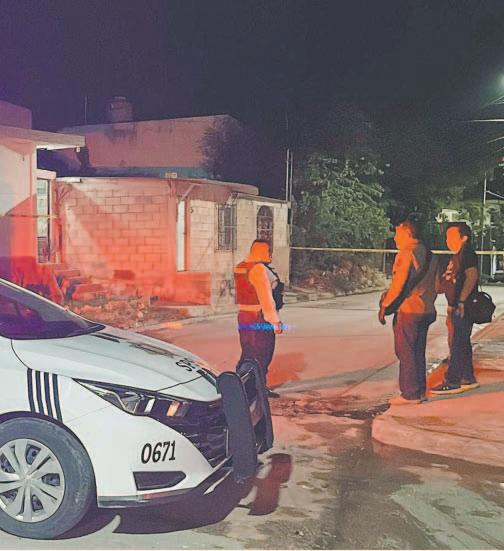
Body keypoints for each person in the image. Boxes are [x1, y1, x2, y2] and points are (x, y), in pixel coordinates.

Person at [378, 220, 438, 405]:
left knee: (406, 352)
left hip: (409, 310)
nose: (395, 238)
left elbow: (399, 284)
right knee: (418, 352)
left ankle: (410, 394)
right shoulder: (431, 255)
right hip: (426, 309)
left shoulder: (407, 252)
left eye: (398, 234)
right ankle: (420, 391)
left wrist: (385, 306)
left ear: (408, 234)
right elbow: (437, 285)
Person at [431, 222, 480, 395]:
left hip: (463, 307)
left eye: (451, 236)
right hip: (456, 306)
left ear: (464, 237)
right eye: (447, 237)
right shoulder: (457, 256)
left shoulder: (467, 253)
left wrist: (460, 301)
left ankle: (453, 380)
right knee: (461, 342)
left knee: (457, 343)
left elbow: (472, 277)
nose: (447, 240)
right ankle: (467, 377)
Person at [234, 240, 283, 398]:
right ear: (260, 251)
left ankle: (241, 387)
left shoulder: (241, 266)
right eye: (268, 251)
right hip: (258, 318)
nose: (270, 254)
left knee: (248, 352)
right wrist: (275, 321)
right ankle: (257, 389)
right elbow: (266, 298)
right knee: (263, 353)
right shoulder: (259, 269)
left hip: (244, 316)